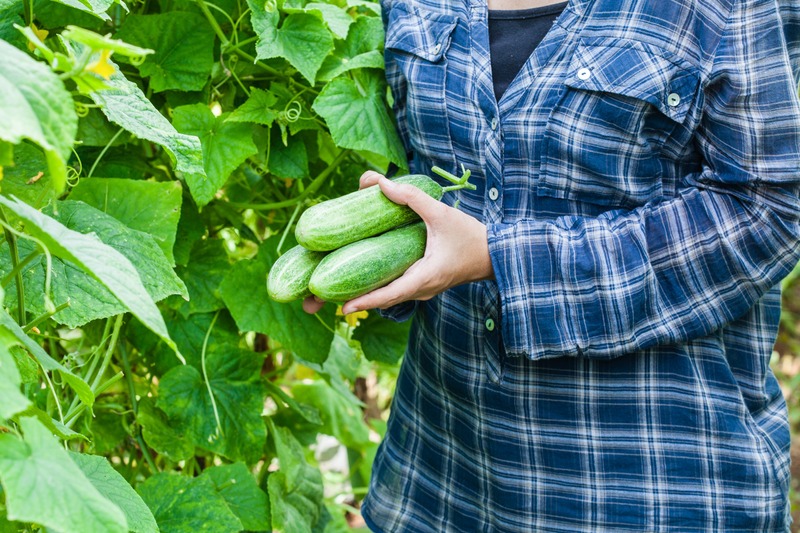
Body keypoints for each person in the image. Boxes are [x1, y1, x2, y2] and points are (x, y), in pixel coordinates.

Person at [305, 0, 800, 530]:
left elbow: (769, 210)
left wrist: (501, 257)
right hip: (437, 478)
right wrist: (371, 255)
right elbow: (424, 168)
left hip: (647, 485)